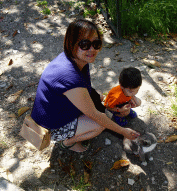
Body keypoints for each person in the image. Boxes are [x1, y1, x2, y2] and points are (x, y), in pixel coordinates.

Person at [30, 19, 140, 152]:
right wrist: (123, 131)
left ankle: (76, 130)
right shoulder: (69, 76)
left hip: (57, 109)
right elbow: (96, 115)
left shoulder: (77, 59)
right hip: (51, 126)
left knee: (98, 96)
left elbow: (86, 89)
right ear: (72, 43)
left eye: (96, 43)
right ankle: (67, 142)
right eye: (84, 44)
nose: (92, 49)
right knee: (99, 125)